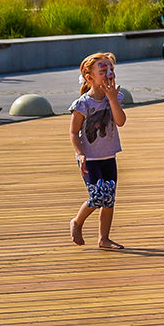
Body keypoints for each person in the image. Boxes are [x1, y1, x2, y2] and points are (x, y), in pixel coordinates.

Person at [69, 51, 127, 250]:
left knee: (109, 199)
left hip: (109, 156)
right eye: (103, 70)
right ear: (89, 77)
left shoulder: (116, 96)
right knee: (97, 196)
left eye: (111, 69)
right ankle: (77, 221)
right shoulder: (83, 104)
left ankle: (104, 238)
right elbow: (74, 132)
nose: (109, 73)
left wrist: (112, 99)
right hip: (90, 159)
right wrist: (80, 153)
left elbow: (121, 121)